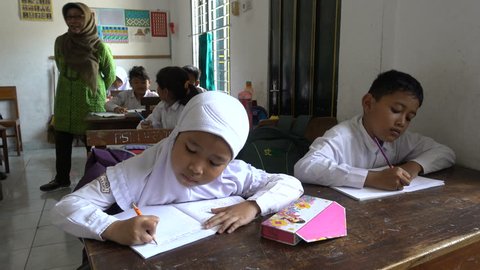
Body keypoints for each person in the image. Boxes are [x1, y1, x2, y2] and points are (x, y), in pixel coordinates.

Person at [51, 91, 304, 245]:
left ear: (229, 160)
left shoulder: (234, 173)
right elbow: (66, 207)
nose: (196, 168)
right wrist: (113, 228)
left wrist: (253, 206)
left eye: (215, 162)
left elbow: (291, 183)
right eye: (191, 150)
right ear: (175, 137)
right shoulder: (140, 171)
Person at [294, 70, 455, 191]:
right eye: (396, 110)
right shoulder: (341, 136)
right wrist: (371, 178)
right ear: (368, 103)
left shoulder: (400, 140)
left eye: (409, 117)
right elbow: (305, 167)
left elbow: (445, 152)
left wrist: (413, 167)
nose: (401, 122)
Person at [40, 2, 116, 192]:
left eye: (78, 16)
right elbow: (60, 65)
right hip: (65, 98)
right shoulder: (60, 42)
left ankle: (97, 179)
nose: (73, 21)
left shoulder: (99, 46)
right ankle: (62, 179)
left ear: (88, 18)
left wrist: (96, 90)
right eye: (69, 17)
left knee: (94, 143)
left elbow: (110, 74)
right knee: (62, 139)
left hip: (90, 100)